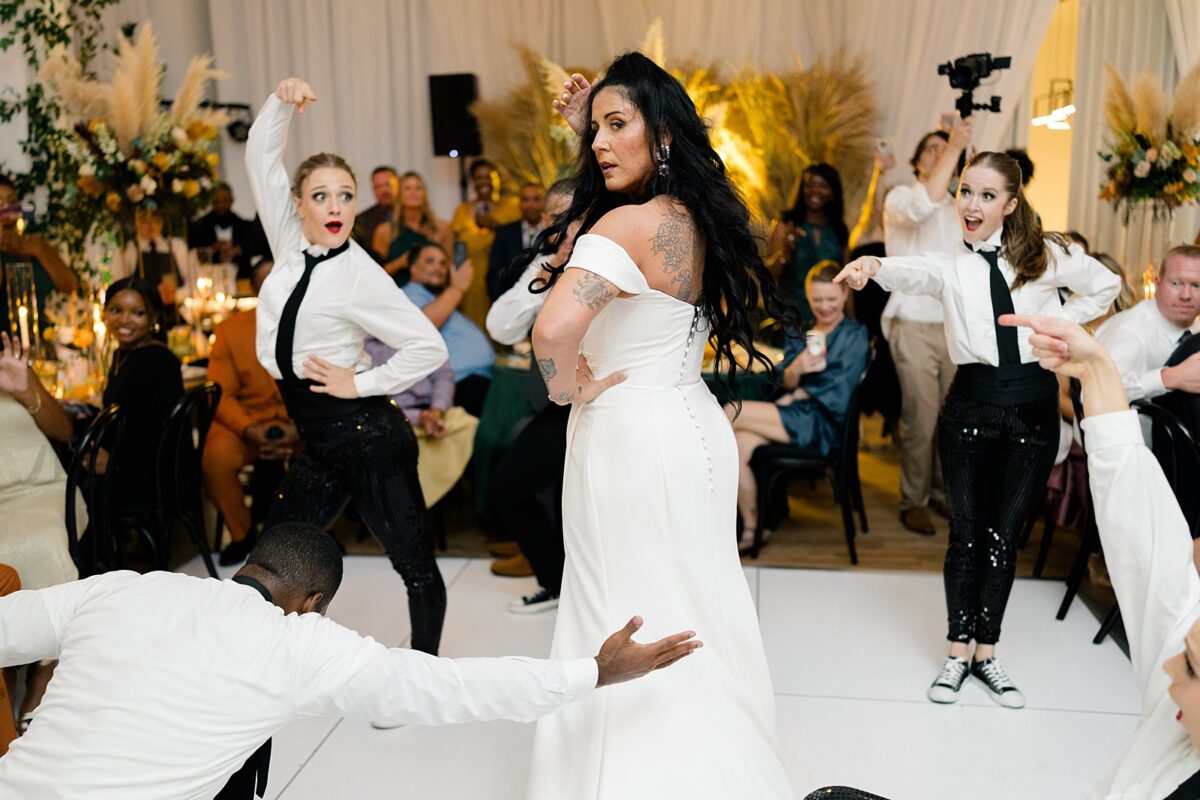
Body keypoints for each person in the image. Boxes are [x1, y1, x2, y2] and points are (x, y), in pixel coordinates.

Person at [528, 54, 794, 797]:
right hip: (690, 427)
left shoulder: (624, 224)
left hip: (625, 438)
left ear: (664, 136)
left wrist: (558, 387)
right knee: (694, 600)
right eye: (597, 130)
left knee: (618, 607)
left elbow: (552, 330)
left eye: (619, 126)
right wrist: (597, 132)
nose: (600, 143)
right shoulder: (692, 220)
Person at [0, 522, 702, 799]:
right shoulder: (300, 644)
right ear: (312, 601)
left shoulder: (124, 590)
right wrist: (594, 672)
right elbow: (450, 688)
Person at [836, 151, 1120, 709]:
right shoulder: (950, 265)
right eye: (966, 192)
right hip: (969, 410)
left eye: (987, 195)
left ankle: (987, 651)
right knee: (966, 534)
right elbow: (909, 271)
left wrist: (1060, 333)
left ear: (1010, 205)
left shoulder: (1050, 257)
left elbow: (1106, 285)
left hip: (1032, 411)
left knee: (1002, 536)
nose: (971, 204)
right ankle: (955, 652)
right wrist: (872, 269)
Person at [246, 77, 450, 656]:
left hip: (369, 437)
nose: (335, 207)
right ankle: (265, 668)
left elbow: (427, 347)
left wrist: (359, 381)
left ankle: (422, 675)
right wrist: (281, 102)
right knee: (271, 559)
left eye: (345, 196)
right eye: (321, 196)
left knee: (412, 564)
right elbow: (260, 156)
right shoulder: (289, 243)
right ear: (299, 204)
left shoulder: (362, 272)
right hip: (320, 442)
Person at [999, 313, 1200, 799]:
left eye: (1192, 668)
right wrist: (1095, 373)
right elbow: (1145, 540)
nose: (1170, 666)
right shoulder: (1181, 724)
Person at [727, 262, 869, 551]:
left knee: (731, 411)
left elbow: (841, 392)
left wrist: (799, 396)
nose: (825, 307)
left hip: (823, 423)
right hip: (797, 416)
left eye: (831, 299)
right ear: (808, 297)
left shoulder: (854, 334)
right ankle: (754, 527)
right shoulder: (803, 332)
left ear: (844, 295)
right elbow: (784, 382)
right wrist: (798, 368)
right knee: (739, 446)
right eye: (817, 300)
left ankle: (699, 503)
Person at [485, 179, 577, 612]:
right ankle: (558, 585)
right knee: (512, 489)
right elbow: (500, 326)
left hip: (597, 405)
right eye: (551, 217)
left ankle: (576, 592)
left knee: (575, 505)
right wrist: (545, 273)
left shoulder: (608, 258)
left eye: (568, 216)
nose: (557, 226)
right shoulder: (543, 262)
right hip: (553, 405)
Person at [882, 122, 971, 536]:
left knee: (952, 415)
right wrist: (955, 145)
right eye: (932, 150)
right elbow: (924, 205)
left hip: (954, 326)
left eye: (946, 149)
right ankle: (912, 500)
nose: (940, 154)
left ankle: (941, 491)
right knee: (922, 416)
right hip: (913, 322)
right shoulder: (901, 198)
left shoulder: (959, 208)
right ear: (918, 162)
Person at [0, 332, 79, 738]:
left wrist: (24, 387)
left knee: (41, 544)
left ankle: (44, 667)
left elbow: (65, 431)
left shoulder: (8, 365)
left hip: (40, 486)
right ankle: (8, 665)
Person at [202, 258, 299, 566]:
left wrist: (301, 428)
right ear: (256, 288)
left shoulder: (314, 325)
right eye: (266, 279)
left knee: (331, 446)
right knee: (214, 458)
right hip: (247, 423)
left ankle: (313, 534)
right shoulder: (230, 331)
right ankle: (243, 535)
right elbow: (221, 393)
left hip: (299, 423)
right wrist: (248, 429)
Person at [100, 277, 185, 506]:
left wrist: (114, 461)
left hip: (150, 475)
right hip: (129, 463)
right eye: (116, 310)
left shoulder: (159, 360)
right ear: (104, 313)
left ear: (153, 317)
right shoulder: (123, 354)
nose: (124, 320)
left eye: (137, 313)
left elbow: (170, 433)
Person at [1095, 244, 1200, 402]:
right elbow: (1097, 393)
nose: (1185, 295)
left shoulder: (1194, 329)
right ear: (1157, 285)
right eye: (1176, 284)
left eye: (1196, 286)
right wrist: (1168, 378)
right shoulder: (1129, 333)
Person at [402, 243, 496, 418]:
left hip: (478, 378)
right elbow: (422, 325)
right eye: (430, 261)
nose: (439, 267)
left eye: (443, 263)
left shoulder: (439, 296)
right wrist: (457, 288)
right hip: (458, 382)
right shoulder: (406, 295)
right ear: (413, 268)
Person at [848, 150, 902, 439]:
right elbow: (873, 203)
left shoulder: (901, 239)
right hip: (865, 311)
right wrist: (879, 174)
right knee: (866, 366)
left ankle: (892, 421)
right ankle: (860, 426)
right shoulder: (866, 232)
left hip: (891, 309)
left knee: (892, 366)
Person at [767, 162, 849, 325]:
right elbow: (768, 277)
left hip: (827, 319)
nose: (814, 191)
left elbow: (846, 280)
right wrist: (785, 252)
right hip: (790, 318)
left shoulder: (839, 230)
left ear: (833, 192)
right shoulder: (786, 224)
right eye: (808, 185)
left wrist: (851, 322)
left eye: (823, 186)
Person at [0, 175, 78, 341]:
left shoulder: (34, 244)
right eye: (0, 204)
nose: (8, 209)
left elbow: (70, 286)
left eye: (12, 202)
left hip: (40, 342)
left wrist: (41, 249)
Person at [450, 158, 521, 327]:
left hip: (504, 280)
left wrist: (491, 224)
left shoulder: (513, 206)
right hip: (473, 284)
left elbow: (519, 239)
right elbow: (458, 249)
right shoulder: (463, 210)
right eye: (478, 178)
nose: (483, 182)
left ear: (498, 178)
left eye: (488, 176)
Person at [111, 208, 200, 318]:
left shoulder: (177, 246)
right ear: (136, 222)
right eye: (145, 221)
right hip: (142, 318)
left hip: (177, 316)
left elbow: (193, 283)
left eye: (155, 220)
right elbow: (120, 291)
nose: (151, 226)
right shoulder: (128, 251)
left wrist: (176, 295)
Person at [370, 170, 453, 283]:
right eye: (407, 188)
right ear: (399, 194)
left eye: (418, 188)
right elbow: (375, 275)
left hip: (435, 294)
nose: (413, 192)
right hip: (398, 294)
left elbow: (450, 269)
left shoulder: (442, 228)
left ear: (425, 194)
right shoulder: (385, 231)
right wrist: (401, 262)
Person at [188, 182, 267, 278]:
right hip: (209, 279)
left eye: (225, 201)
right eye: (216, 201)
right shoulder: (199, 228)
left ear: (231, 201)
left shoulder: (244, 226)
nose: (221, 205)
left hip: (241, 278)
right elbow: (194, 255)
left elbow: (256, 249)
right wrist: (212, 249)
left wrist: (237, 250)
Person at [487, 183, 546, 299]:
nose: (531, 205)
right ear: (520, 203)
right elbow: (494, 274)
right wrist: (503, 304)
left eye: (536, 199)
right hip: (513, 302)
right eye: (525, 200)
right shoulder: (505, 233)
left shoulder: (553, 233)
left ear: (543, 202)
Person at [352, 165, 398, 260]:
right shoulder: (360, 221)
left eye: (388, 184)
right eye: (378, 186)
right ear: (373, 189)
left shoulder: (412, 216)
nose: (384, 191)